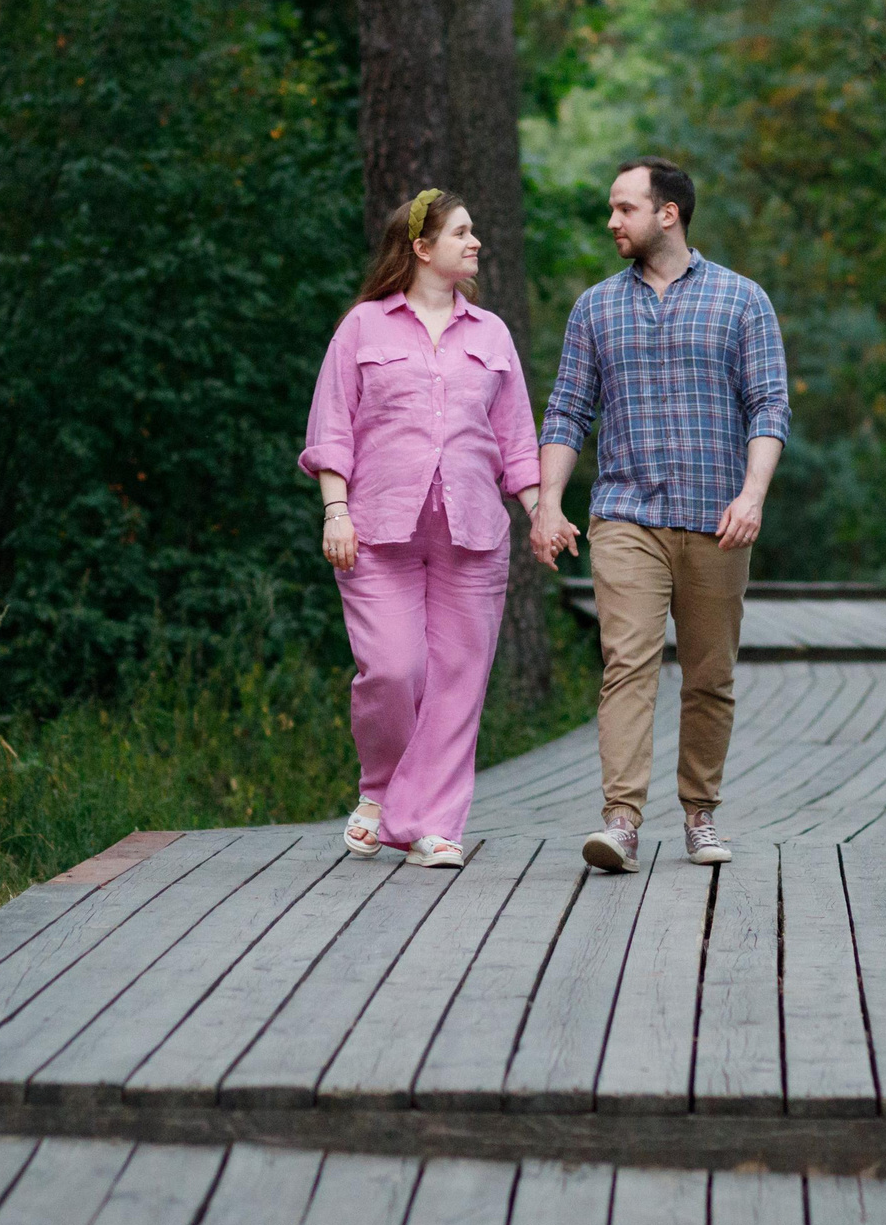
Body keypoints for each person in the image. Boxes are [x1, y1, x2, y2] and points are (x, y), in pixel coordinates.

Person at [531, 158, 790, 873]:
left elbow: (769, 406)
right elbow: (566, 412)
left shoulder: (743, 301)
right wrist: (548, 502)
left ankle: (700, 814)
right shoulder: (595, 308)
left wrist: (753, 493)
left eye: (624, 208)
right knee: (628, 662)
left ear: (667, 212)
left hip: (718, 517)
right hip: (625, 514)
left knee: (709, 673)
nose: (612, 221)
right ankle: (621, 819)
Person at [302, 189, 543, 868]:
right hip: (376, 532)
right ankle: (380, 792)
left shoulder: (491, 334)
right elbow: (331, 428)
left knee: (458, 682)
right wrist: (335, 510)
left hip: (473, 534)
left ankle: (434, 825)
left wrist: (540, 513)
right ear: (421, 247)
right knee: (393, 669)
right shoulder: (363, 327)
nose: (476, 243)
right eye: (462, 232)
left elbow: (517, 438)